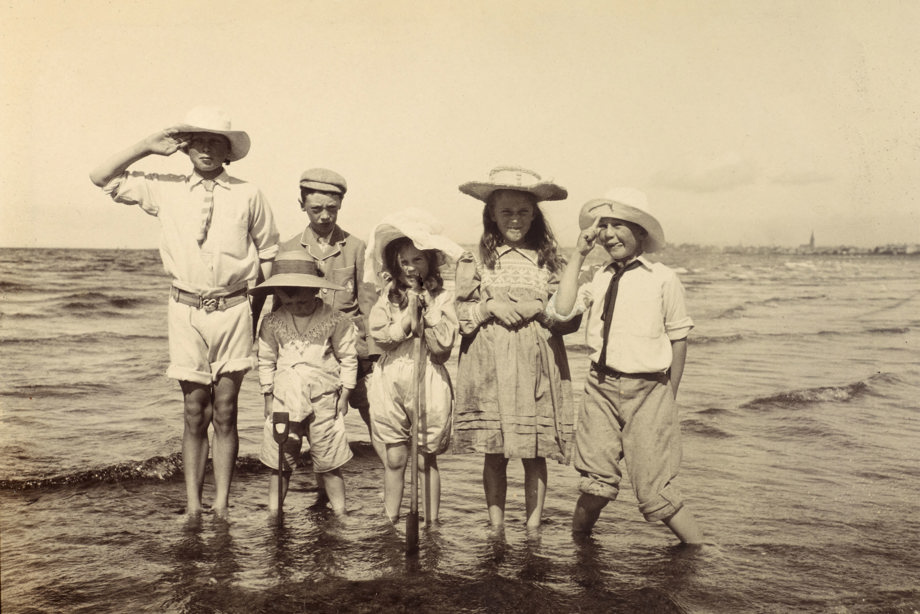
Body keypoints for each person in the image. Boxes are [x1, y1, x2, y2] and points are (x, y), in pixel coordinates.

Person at [89, 106, 279, 517]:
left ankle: (223, 505)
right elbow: (101, 177)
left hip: (233, 308)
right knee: (195, 410)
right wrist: (146, 146)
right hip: (185, 308)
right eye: (200, 141)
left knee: (226, 411)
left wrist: (253, 310)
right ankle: (193, 506)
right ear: (186, 147)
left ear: (228, 152)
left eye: (217, 142)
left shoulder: (249, 194)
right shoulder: (166, 188)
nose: (208, 149)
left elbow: (268, 255)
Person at [548, 188, 704, 543]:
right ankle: (578, 547)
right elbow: (561, 310)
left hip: (650, 392)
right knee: (596, 485)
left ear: (642, 234)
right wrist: (578, 256)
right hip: (599, 389)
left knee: (654, 491)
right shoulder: (597, 276)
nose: (609, 233)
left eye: (621, 225)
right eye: (605, 225)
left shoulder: (662, 278)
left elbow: (679, 339)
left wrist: (669, 396)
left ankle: (701, 552)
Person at [453, 166, 581, 532]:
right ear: (491, 214)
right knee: (494, 452)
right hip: (489, 365)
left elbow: (569, 319)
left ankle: (533, 526)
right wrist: (489, 307)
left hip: (536, 366)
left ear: (535, 215)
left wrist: (540, 308)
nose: (515, 219)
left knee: (535, 449)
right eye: (506, 211)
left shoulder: (548, 261)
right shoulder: (475, 260)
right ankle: (495, 526)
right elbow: (460, 314)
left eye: (523, 212)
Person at [278, 169, 383, 474]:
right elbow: (279, 308)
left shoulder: (357, 247)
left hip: (354, 354)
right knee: (310, 427)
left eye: (332, 209)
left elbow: (369, 304)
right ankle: (319, 497)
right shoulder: (288, 249)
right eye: (316, 209)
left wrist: (373, 355)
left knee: (376, 419)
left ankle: (392, 495)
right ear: (301, 204)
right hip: (307, 357)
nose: (324, 216)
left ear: (341, 206)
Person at [363, 209, 464, 525]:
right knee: (395, 456)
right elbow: (380, 337)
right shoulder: (388, 298)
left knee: (424, 459)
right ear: (395, 263)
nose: (410, 267)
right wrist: (407, 318)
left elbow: (443, 344)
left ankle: (431, 523)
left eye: (418, 260)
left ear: (431, 263)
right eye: (404, 260)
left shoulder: (443, 298)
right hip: (392, 376)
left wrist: (429, 310)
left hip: (427, 378)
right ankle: (390, 519)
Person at [250, 251, 357, 516]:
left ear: (316, 290)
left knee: (329, 461)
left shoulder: (335, 319)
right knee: (280, 462)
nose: (296, 306)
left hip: (324, 399)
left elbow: (348, 357)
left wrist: (345, 395)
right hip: (284, 400)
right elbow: (266, 360)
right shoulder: (273, 322)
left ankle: (340, 512)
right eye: (289, 301)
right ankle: (275, 512)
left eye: (301, 301)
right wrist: (267, 396)